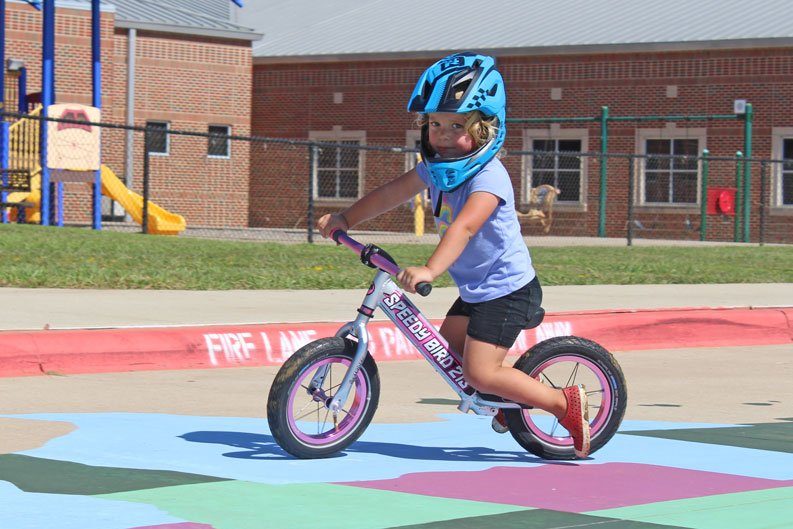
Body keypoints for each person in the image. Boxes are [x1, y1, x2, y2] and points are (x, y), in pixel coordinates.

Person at [317, 52, 590, 458]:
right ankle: (508, 397)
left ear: (484, 129)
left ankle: (563, 403)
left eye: (457, 125)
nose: (443, 135)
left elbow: (464, 228)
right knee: (450, 351)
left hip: (507, 291)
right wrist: (346, 218)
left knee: (479, 373)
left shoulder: (490, 177)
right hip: (478, 288)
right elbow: (391, 193)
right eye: (435, 124)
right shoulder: (435, 169)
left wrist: (430, 268)